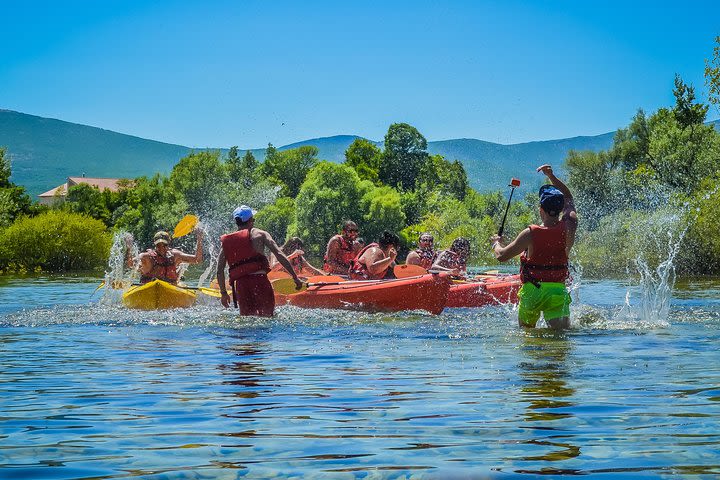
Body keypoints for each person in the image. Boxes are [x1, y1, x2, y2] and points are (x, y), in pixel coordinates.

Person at [490, 164, 577, 330]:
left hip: (533, 292)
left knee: (528, 337)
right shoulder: (570, 225)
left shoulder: (530, 233)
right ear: (561, 209)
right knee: (561, 338)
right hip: (557, 291)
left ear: (541, 210)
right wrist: (552, 177)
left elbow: (501, 256)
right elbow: (569, 198)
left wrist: (496, 242)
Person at [216, 205, 302, 317]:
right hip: (259, 282)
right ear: (251, 220)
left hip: (241, 286)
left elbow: (219, 269)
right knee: (267, 318)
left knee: (247, 320)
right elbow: (279, 254)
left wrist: (223, 293)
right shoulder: (260, 234)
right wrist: (295, 277)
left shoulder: (228, 241)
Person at [136, 229, 203, 284]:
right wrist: (129, 248)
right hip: (149, 288)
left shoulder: (176, 255)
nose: (162, 248)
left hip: (171, 288)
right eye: (159, 245)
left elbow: (197, 260)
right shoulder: (146, 257)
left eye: (164, 245)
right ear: (155, 244)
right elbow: (130, 264)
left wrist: (199, 238)